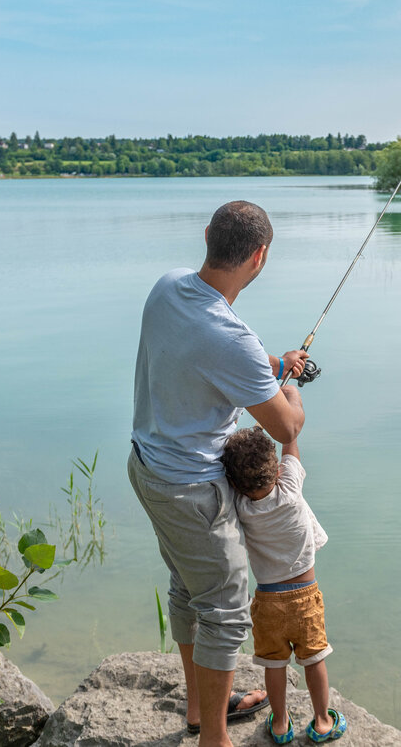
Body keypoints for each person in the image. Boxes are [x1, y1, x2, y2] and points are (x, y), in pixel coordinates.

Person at [129, 200, 309, 747]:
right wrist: (291, 389)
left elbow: (204, 363)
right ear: (260, 257)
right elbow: (284, 426)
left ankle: (199, 708)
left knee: (187, 590)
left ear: (207, 236)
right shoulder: (235, 339)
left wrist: (273, 368)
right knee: (228, 613)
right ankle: (214, 740)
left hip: (147, 468)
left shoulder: (167, 287)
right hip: (193, 492)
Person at [220, 426, 347, 744]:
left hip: (267, 601)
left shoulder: (240, 506)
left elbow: (236, 483)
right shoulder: (290, 485)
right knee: (314, 658)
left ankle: (279, 723)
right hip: (305, 597)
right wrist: (289, 403)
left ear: (235, 483)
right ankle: (321, 721)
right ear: (276, 469)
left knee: (274, 664)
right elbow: (289, 436)